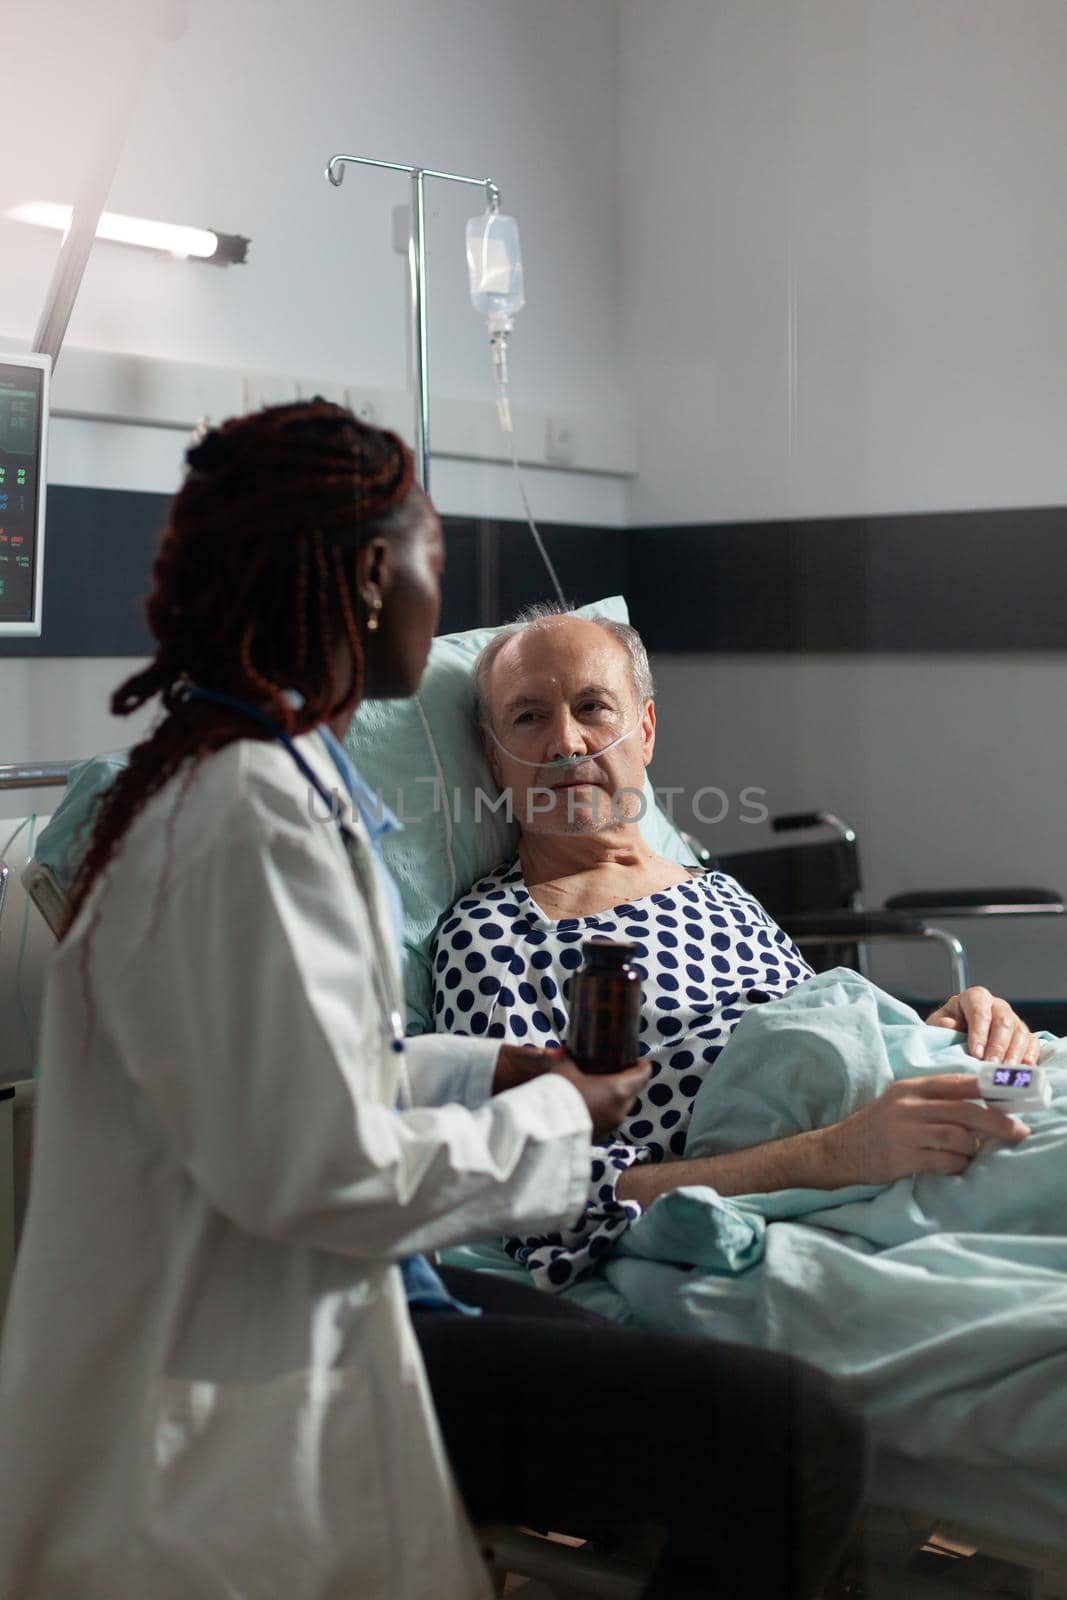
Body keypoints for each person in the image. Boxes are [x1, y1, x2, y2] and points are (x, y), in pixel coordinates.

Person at [0, 403, 868, 1600]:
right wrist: (560, 1123)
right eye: (431, 562)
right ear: (367, 575)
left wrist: (485, 1071)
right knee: (792, 1440)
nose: (439, 597)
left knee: (768, 1427)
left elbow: (287, 1073)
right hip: (242, 1363)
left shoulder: (266, 786)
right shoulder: (248, 821)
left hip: (341, 1289)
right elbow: (317, 1169)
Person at [432, 604, 1036, 1290]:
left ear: (645, 731)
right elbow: (537, 1195)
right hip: (820, 1189)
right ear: (493, 755)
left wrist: (948, 1027)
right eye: (528, 717)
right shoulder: (493, 937)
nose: (566, 742)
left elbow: (825, 1041)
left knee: (1038, 1106)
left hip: (913, 1109)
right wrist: (837, 1154)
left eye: (592, 707)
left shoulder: (717, 892)